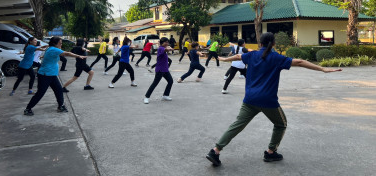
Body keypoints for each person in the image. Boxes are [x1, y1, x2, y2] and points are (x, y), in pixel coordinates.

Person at [205, 32, 342, 166]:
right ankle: (270, 152)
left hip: (250, 99)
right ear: (274, 43)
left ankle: (215, 151)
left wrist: (223, 59)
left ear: (260, 43)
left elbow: (238, 56)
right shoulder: (276, 57)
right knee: (281, 124)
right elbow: (299, 62)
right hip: (268, 101)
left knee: (237, 125)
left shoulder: (252, 55)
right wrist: (322, 69)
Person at [23, 37, 87, 116]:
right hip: (45, 75)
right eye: (60, 43)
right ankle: (27, 109)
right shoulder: (53, 49)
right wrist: (78, 56)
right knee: (40, 93)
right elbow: (67, 53)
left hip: (52, 75)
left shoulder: (51, 49)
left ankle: (61, 106)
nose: (61, 44)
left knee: (59, 90)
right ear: (55, 43)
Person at [144, 37, 174, 104]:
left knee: (170, 81)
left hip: (165, 69)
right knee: (155, 83)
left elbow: (166, 49)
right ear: (162, 43)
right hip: (160, 70)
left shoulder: (163, 48)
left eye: (167, 42)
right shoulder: (161, 48)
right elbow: (165, 49)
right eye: (165, 42)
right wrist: (169, 48)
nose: (167, 43)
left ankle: (165, 95)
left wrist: (169, 48)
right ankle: (146, 97)